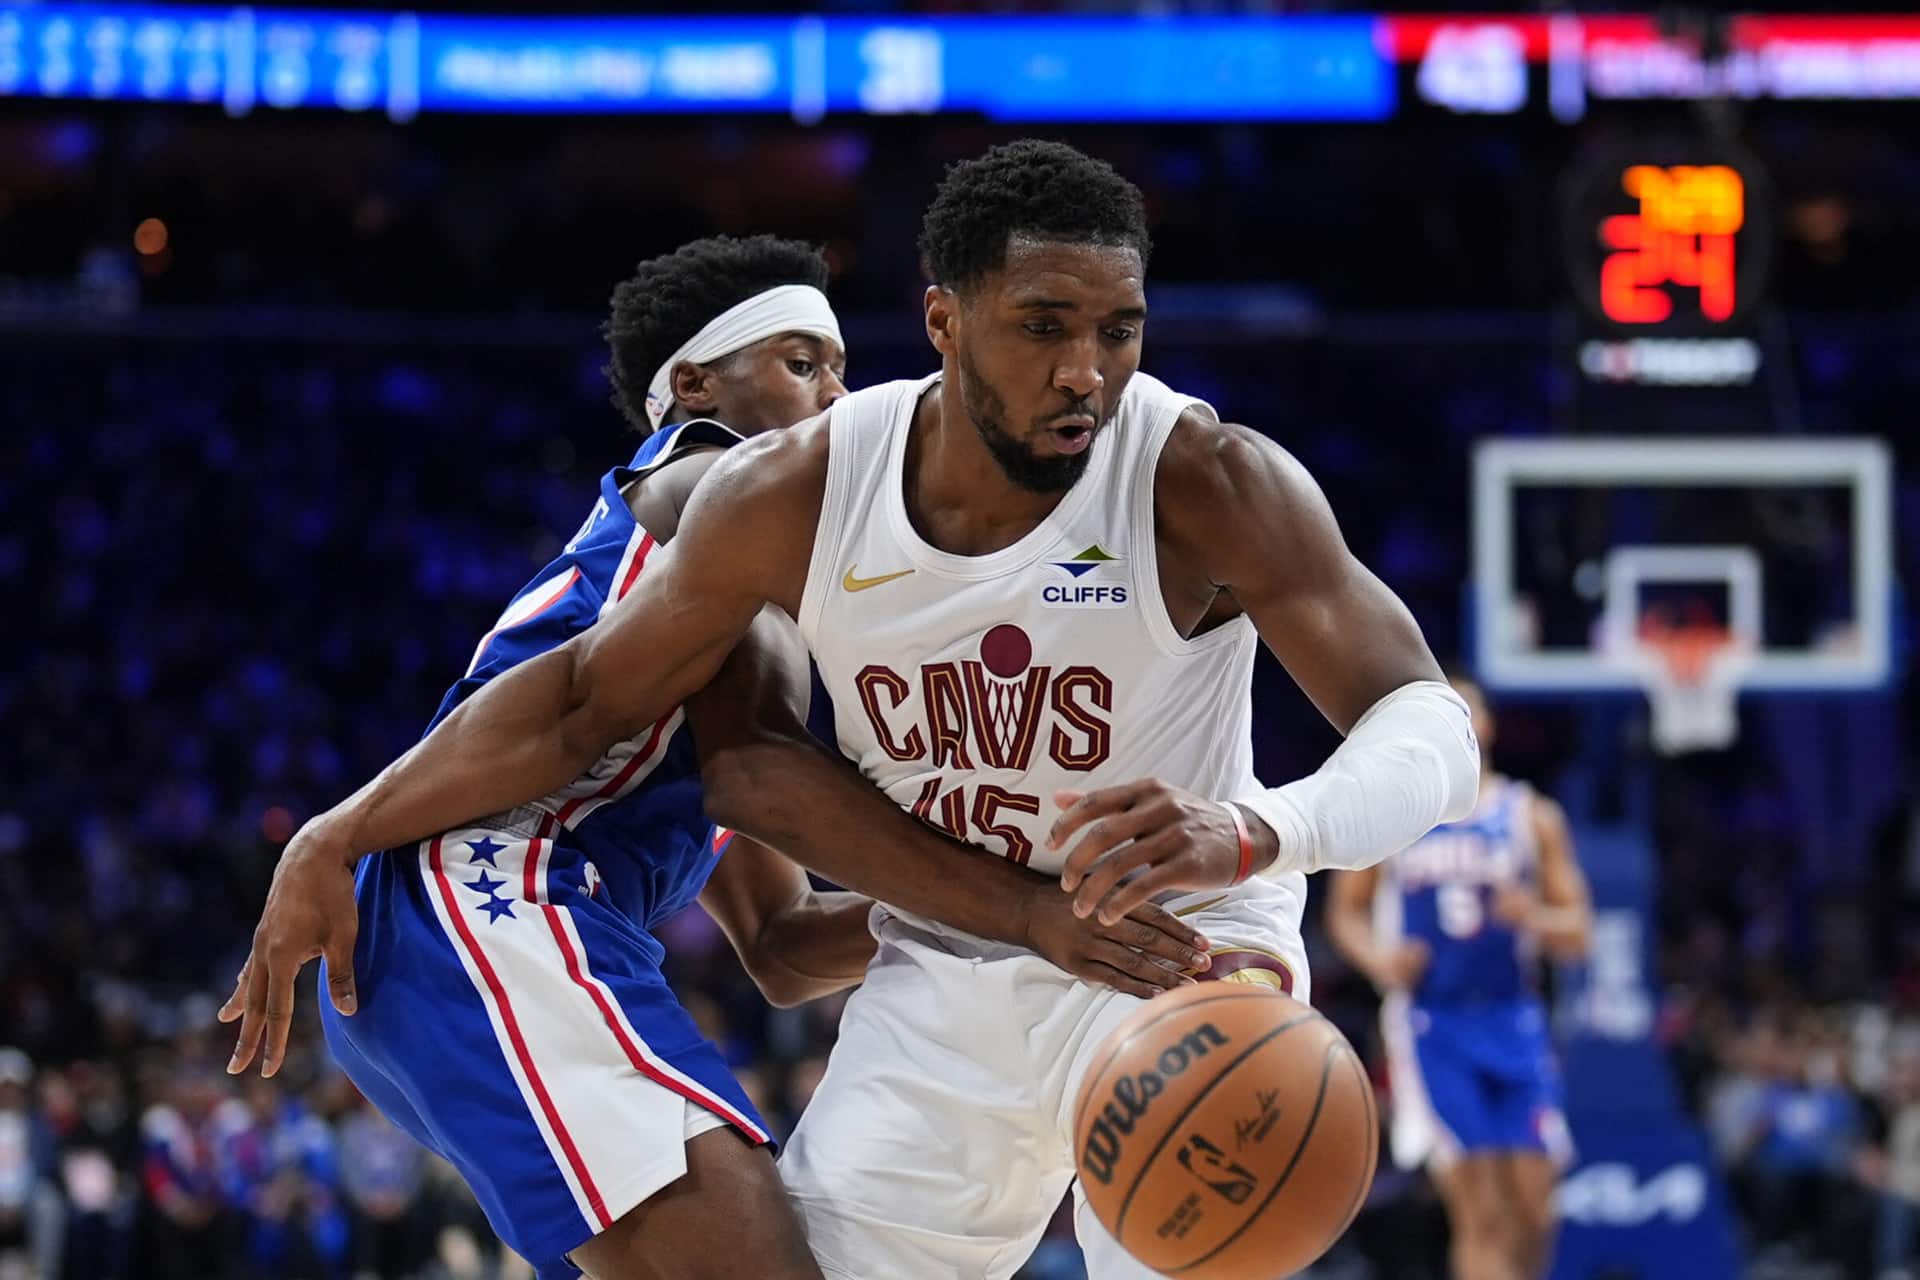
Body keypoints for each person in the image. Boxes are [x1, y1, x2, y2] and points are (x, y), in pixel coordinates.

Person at [233, 142, 1480, 1279]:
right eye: (1043, 326)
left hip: (1169, 947)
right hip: (952, 970)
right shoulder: (784, 491)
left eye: (1118, 331)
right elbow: (588, 702)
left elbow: (1431, 725)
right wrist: (333, 830)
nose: (1084, 373)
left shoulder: (1204, 477)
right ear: (942, 320)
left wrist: (1258, 832)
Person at [1327, 674, 1592, 1280]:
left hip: (1513, 1018)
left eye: (1465, 713)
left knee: (1536, 1205)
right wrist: (1378, 958)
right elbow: (1346, 912)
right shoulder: (1397, 814)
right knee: (1481, 1210)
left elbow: (1580, 933)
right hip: (1432, 1024)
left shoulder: (1531, 815)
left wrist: (1535, 917)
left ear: (1488, 725)